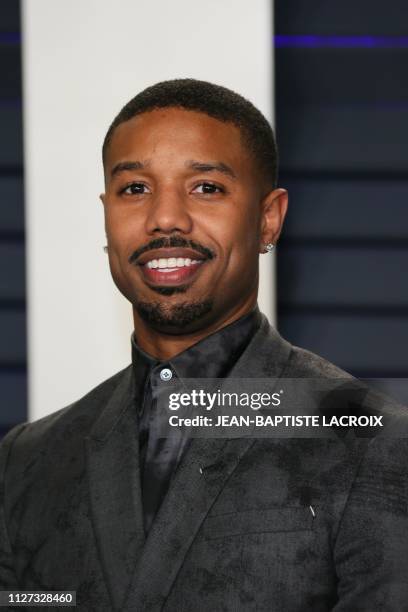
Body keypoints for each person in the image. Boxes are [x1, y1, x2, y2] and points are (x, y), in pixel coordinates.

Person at [1, 79, 407, 611]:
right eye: (135, 189)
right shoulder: (27, 460)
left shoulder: (373, 444)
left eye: (206, 188)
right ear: (106, 215)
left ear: (268, 218)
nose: (165, 218)